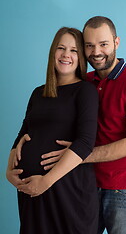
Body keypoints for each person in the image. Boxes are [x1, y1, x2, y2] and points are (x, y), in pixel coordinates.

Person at [11, 16, 126, 234]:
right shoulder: (86, 81)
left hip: (125, 189)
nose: (96, 51)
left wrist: (76, 155)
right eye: (89, 45)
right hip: (87, 184)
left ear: (116, 42)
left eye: (103, 44)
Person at [6, 27, 99, 234]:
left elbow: (85, 143)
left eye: (74, 50)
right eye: (61, 48)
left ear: (81, 57)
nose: (66, 54)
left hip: (68, 193)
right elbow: (23, 132)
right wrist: (8, 171)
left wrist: (45, 181)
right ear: (52, 53)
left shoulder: (85, 91)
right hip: (32, 193)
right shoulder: (38, 93)